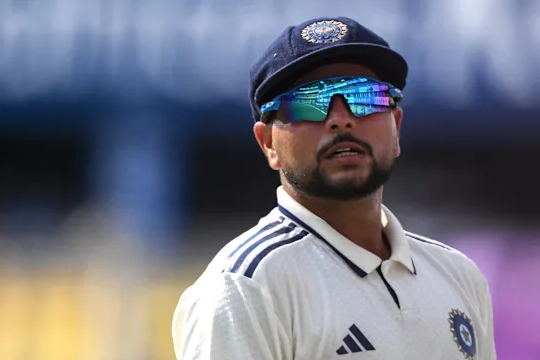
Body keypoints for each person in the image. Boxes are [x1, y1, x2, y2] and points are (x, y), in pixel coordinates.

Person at [172, 16, 497, 359]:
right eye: (308, 101)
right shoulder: (246, 286)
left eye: (364, 95)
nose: (341, 119)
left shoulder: (457, 274)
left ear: (396, 127)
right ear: (268, 143)